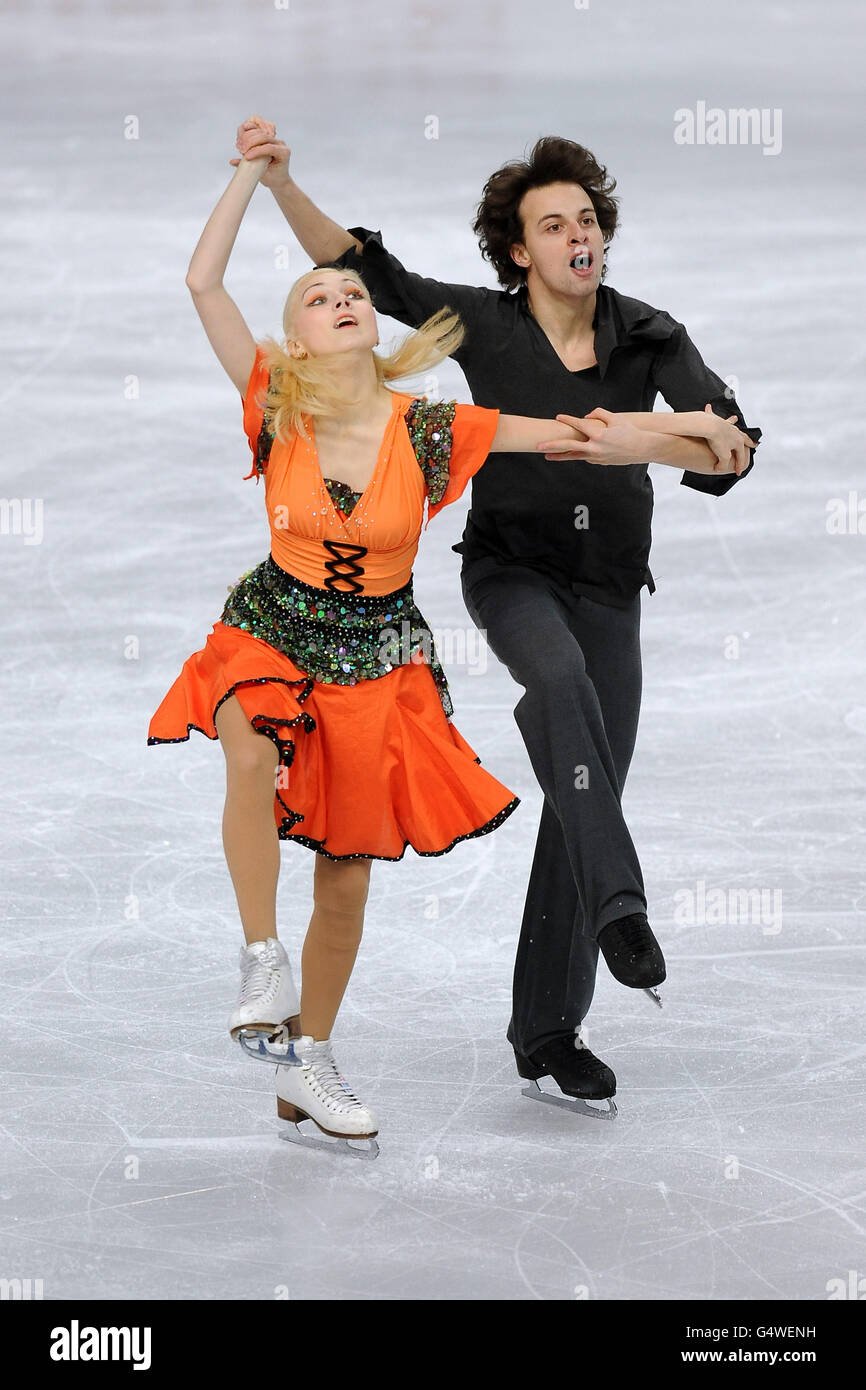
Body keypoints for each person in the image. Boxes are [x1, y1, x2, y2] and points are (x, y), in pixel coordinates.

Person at [146, 136, 726, 1149]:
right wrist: (255, 175)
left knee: (349, 869)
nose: (341, 300)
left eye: (350, 297)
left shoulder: (434, 425)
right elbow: (209, 280)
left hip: (383, 654)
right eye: (318, 299)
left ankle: (312, 1062)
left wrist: (700, 435)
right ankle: (257, 958)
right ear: (292, 339)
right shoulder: (273, 398)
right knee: (247, 743)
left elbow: (569, 432)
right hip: (282, 624)